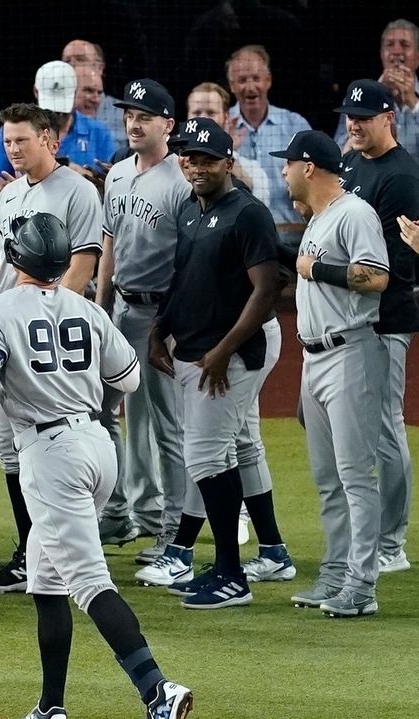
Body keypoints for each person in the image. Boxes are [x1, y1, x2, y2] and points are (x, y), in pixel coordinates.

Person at [0, 212, 193, 719]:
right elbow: (127, 380)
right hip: (98, 445)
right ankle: (51, 706)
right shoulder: (86, 309)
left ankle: (158, 691)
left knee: (89, 581)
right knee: (46, 578)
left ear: (15, 256)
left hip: (50, 456)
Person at [145, 118, 284, 610]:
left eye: (206, 158)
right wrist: (160, 327)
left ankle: (231, 575)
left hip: (228, 354)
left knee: (206, 457)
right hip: (198, 348)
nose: (195, 165)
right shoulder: (189, 208)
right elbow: (184, 278)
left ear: (229, 162)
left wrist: (225, 350)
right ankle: (233, 563)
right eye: (188, 156)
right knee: (223, 454)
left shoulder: (247, 213)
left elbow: (268, 289)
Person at [0, 103, 103, 595]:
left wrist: (39, 323)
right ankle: (30, 554)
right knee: (11, 452)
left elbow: (82, 266)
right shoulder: (8, 197)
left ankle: (73, 552)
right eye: (7, 141)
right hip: (7, 337)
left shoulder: (78, 191)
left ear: (49, 139)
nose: (13, 148)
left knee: (56, 445)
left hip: (46, 343)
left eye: (22, 140)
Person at [274, 130, 391, 617]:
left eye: (288, 164)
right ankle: (335, 574)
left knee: (354, 476)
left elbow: (378, 277)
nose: (282, 171)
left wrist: (314, 270)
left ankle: (361, 587)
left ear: (308, 168)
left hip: (351, 353)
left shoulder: (354, 213)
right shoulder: (320, 218)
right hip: (315, 358)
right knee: (326, 477)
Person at [93, 79, 191, 561]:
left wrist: (166, 326)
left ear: (168, 125)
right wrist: (100, 306)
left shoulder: (181, 181)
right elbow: (109, 245)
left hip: (161, 315)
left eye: (144, 116)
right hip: (119, 311)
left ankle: (172, 530)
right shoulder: (115, 174)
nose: (133, 122)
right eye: (129, 114)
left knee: (167, 426)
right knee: (100, 413)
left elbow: (186, 263)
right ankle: (119, 513)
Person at [334, 79, 419, 574]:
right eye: (349, 115)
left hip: (385, 321)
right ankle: (369, 533)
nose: (354, 124)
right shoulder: (350, 163)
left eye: (363, 117)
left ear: (389, 117)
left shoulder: (402, 176)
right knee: (335, 424)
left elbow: (397, 266)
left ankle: (391, 544)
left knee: (385, 429)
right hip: (348, 317)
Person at [225, 45, 311, 237]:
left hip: (292, 235)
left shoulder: (295, 124)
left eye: (256, 78)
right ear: (231, 86)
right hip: (238, 236)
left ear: (268, 81)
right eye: (242, 80)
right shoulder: (222, 126)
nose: (250, 87)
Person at [0, 62, 117, 177]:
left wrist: (84, 179)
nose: (55, 115)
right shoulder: (12, 130)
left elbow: (114, 183)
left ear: (75, 93)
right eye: (50, 110)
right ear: (36, 92)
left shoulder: (99, 133)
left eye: (61, 111)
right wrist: (19, 187)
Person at [335, 20, 419, 158]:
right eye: (390, 45)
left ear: (417, 55)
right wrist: (373, 100)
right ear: (381, 53)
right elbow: (338, 152)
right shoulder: (358, 96)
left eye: (404, 45)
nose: (396, 51)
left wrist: (414, 104)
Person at [183, 82, 265, 200]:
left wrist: (225, 153)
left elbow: (255, 203)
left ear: (225, 117)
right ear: (187, 116)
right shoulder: (171, 159)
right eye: (196, 113)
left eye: (211, 113)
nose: (204, 119)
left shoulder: (253, 169)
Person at [61, 38, 127, 153]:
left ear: (99, 68)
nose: (72, 65)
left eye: (80, 59)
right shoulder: (53, 114)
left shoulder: (122, 114)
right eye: (67, 61)